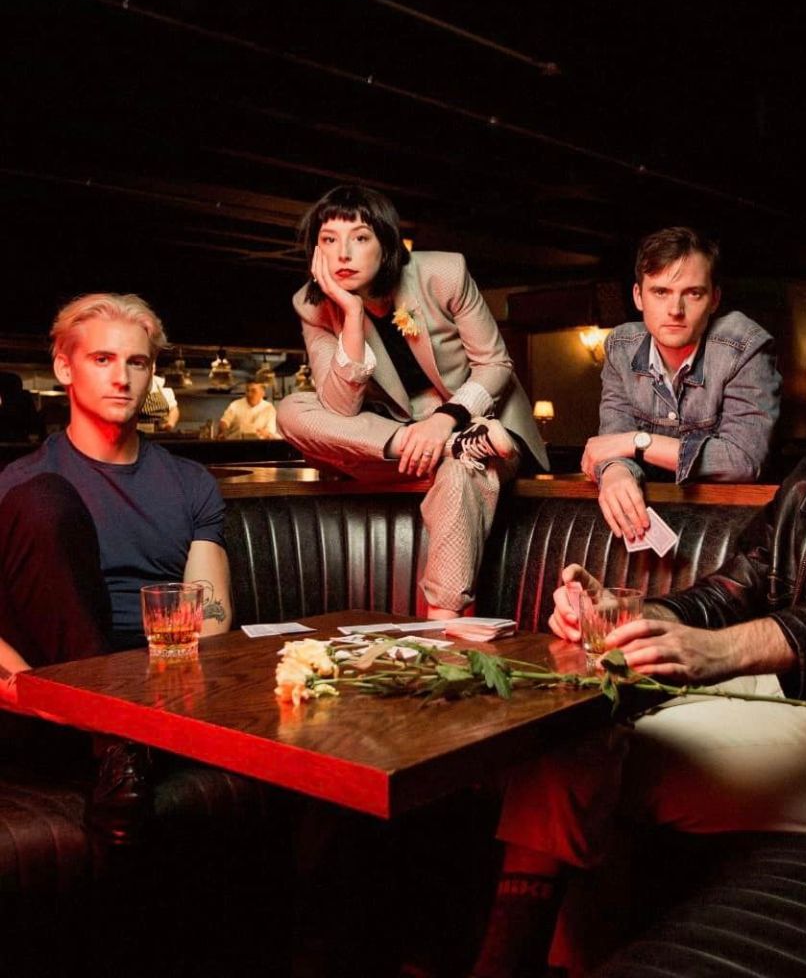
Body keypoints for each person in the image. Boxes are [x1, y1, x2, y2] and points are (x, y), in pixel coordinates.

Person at [471, 291, 806, 978]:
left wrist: (724, 650)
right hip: (794, 698)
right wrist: (629, 614)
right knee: (571, 737)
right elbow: (733, 588)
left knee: (577, 759)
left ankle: (514, 962)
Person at [0, 293, 233, 839]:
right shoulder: (18, 484)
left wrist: (148, 696)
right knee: (43, 501)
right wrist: (50, 697)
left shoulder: (189, 483)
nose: (122, 378)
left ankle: (121, 741)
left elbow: (213, 618)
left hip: (158, 695)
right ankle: (117, 741)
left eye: (137, 362)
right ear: (65, 368)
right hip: (50, 706)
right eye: (102, 359)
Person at [277, 185, 548, 620]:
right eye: (329, 240)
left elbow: (495, 363)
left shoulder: (443, 273)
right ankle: (457, 447)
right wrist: (351, 315)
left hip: (479, 417)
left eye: (360, 237)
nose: (343, 253)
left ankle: (442, 621)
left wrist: (446, 421)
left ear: (385, 244)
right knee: (291, 410)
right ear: (315, 251)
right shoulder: (312, 307)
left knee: (462, 470)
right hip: (405, 442)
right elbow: (339, 409)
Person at [582, 226, 781, 541]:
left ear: (714, 299)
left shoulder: (745, 346)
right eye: (660, 292)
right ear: (638, 296)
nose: (675, 310)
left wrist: (638, 441)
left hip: (737, 528)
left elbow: (742, 460)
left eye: (693, 293)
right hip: (649, 523)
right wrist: (615, 471)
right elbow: (612, 441)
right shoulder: (621, 346)